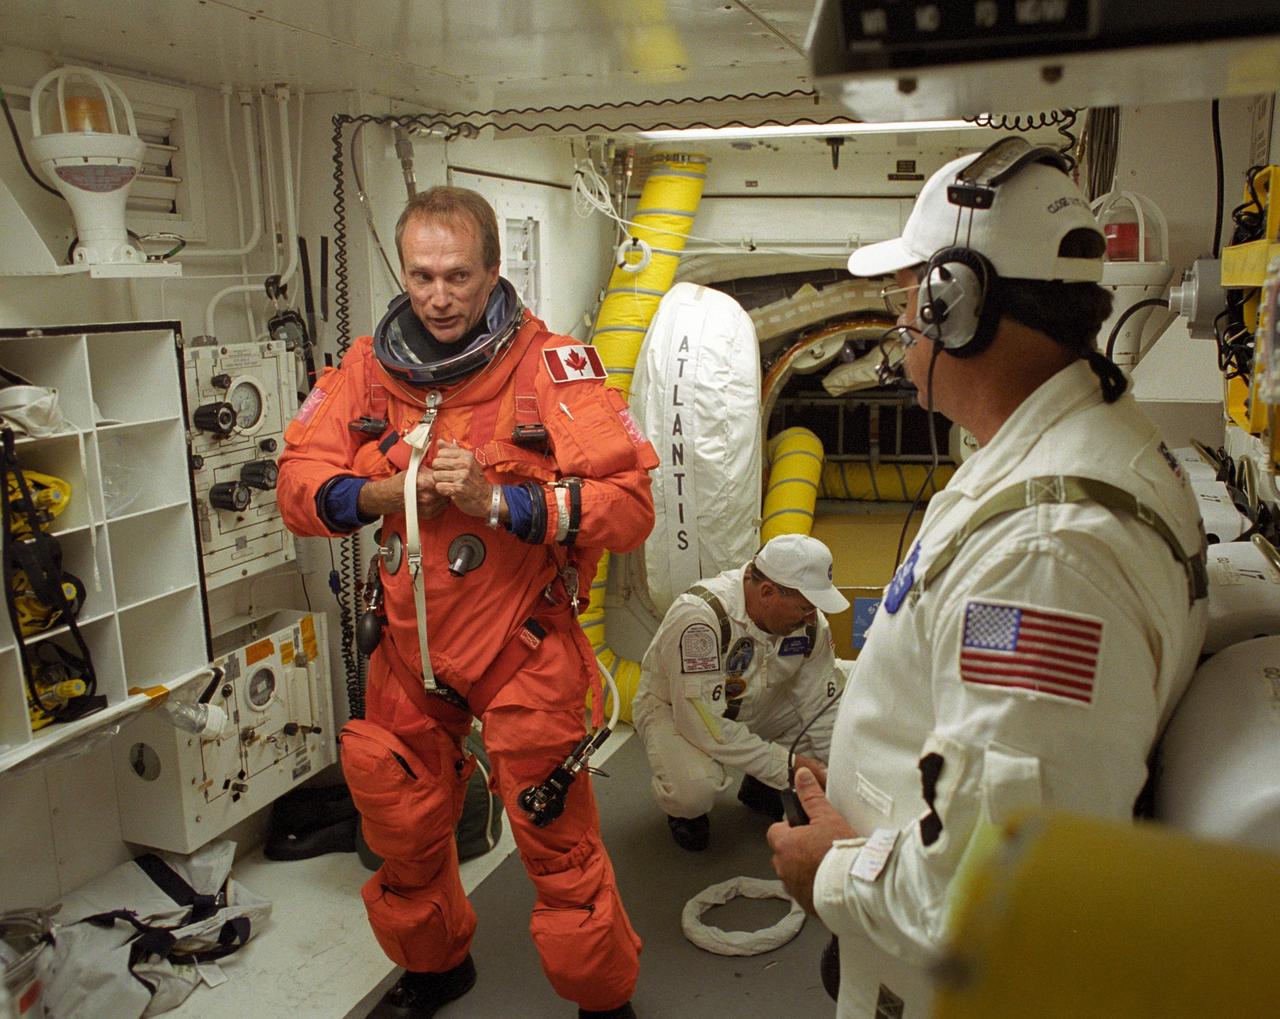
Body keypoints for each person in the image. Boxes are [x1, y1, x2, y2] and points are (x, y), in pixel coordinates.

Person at [767, 138, 1209, 1018]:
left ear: (956, 306)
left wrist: (830, 870)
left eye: (908, 297)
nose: (902, 323)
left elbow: (1010, 884)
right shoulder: (1071, 447)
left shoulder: (1045, 555)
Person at [277, 186, 658, 1019]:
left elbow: (629, 508)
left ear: (493, 270)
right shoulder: (365, 370)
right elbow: (297, 486)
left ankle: (603, 1002)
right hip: (409, 651)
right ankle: (436, 967)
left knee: (557, 844)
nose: (439, 296)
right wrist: (377, 494)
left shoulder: (552, 368)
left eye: (457, 276)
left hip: (519, 645)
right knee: (403, 830)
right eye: (421, 276)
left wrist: (502, 502)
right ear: (403, 272)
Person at [632, 533, 850, 852]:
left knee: (832, 720)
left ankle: (761, 786)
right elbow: (703, 724)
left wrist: (839, 780)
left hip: (757, 704)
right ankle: (685, 813)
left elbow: (822, 706)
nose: (810, 618)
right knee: (695, 791)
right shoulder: (700, 619)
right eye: (804, 608)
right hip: (679, 710)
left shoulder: (810, 624)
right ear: (767, 592)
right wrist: (788, 766)